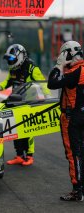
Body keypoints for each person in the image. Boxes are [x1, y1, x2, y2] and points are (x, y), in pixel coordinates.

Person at [0, 44, 46, 166]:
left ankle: (29, 156)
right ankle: (19, 155)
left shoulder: (32, 68)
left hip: (30, 103)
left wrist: (46, 99)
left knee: (28, 130)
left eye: (12, 59)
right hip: (16, 102)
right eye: (8, 59)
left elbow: (43, 84)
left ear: (20, 56)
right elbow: (8, 81)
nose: (10, 61)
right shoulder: (13, 69)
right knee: (15, 129)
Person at [47, 40, 84, 201]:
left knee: (73, 154)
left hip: (72, 118)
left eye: (63, 54)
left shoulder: (73, 72)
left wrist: (59, 66)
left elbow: (52, 83)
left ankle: (78, 190)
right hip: (81, 115)